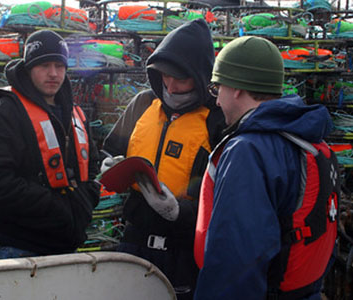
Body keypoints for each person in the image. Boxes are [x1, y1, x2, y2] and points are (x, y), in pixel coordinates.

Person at [193, 36, 339, 299]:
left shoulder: (247, 151)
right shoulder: (312, 140)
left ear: (236, 88)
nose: (216, 101)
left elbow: (236, 258)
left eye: (218, 88)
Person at [101, 19, 225, 299]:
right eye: (164, 75)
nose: (170, 85)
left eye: (180, 78)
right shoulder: (143, 104)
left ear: (201, 75)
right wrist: (109, 165)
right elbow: (110, 148)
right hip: (133, 243)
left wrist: (178, 212)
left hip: (182, 255)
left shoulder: (217, 121)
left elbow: (225, 202)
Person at [0, 30, 100, 259]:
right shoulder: (4, 114)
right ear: (29, 68)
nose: (53, 74)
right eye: (44, 66)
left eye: (59, 66)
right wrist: (52, 206)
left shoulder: (76, 114)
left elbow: (92, 167)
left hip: (69, 246)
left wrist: (83, 202)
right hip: (21, 248)